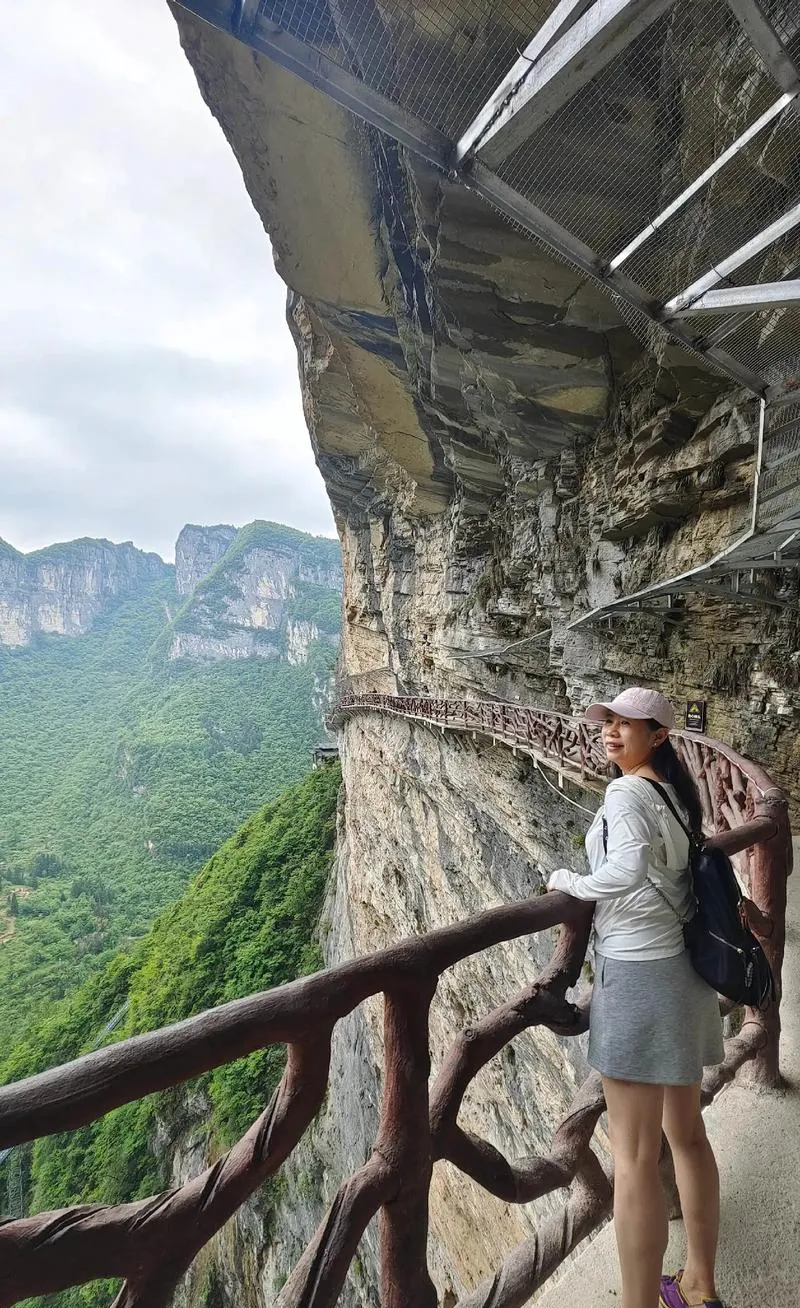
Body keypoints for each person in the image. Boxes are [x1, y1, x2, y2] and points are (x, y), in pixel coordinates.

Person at [547, 687, 727, 1308]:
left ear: (659, 735)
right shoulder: (675, 793)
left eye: (628, 724)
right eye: (608, 722)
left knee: (633, 1159)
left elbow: (623, 872)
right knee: (687, 1134)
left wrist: (568, 880)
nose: (612, 731)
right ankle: (699, 1284)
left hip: (637, 977)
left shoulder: (626, 793)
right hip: (683, 975)